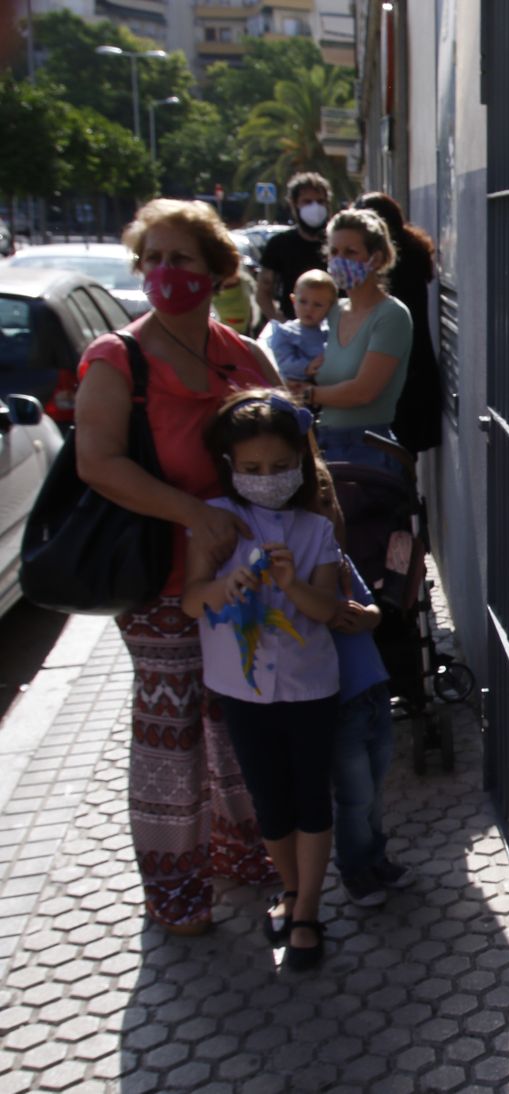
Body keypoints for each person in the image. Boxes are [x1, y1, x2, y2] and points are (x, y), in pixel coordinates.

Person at [74, 199, 281, 934]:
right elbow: (98, 463)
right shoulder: (116, 359)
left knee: (240, 719)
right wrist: (194, 513)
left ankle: (247, 852)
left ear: (217, 270)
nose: (165, 273)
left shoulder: (243, 356)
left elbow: (282, 446)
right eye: (152, 258)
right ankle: (176, 893)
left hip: (246, 579)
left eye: (181, 259)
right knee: (172, 738)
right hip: (163, 582)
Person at [182, 390, 344, 969]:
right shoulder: (215, 522)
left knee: (311, 800)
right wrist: (224, 589)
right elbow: (190, 601)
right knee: (269, 801)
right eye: (252, 470)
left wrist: (291, 584)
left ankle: (308, 909)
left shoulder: (315, 528)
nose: (267, 479)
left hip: (309, 688)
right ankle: (290, 888)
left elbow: (327, 609)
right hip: (242, 689)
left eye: (279, 468)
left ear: (300, 464)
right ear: (230, 466)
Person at [295, 208, 412, 476]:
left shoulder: (391, 315)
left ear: (377, 258)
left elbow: (363, 392)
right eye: (334, 252)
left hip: (367, 450)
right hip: (324, 442)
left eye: (350, 252)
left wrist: (307, 394)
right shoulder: (332, 312)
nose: (339, 260)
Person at [327, 550, 414, 905]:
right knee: (355, 795)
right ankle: (355, 869)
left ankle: (376, 859)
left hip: (373, 691)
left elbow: (372, 608)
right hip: (340, 701)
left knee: (375, 789)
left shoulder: (339, 560)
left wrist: (366, 617)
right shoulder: (295, 569)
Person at [354, 192, 442, 455]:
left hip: (396, 373)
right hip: (416, 370)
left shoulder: (387, 267)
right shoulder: (414, 254)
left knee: (389, 453)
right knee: (403, 455)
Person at [258, 172, 332, 323]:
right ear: (294, 204)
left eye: (320, 201)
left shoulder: (338, 243)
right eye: (307, 202)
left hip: (336, 331)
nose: (315, 207)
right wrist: (280, 322)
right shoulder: (279, 244)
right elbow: (263, 290)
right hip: (293, 328)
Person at [261, 269, 337, 383]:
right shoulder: (285, 332)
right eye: (303, 301)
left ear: (330, 308)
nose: (309, 309)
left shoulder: (330, 332)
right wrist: (307, 367)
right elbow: (284, 362)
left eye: (318, 305)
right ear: (293, 300)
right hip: (297, 389)